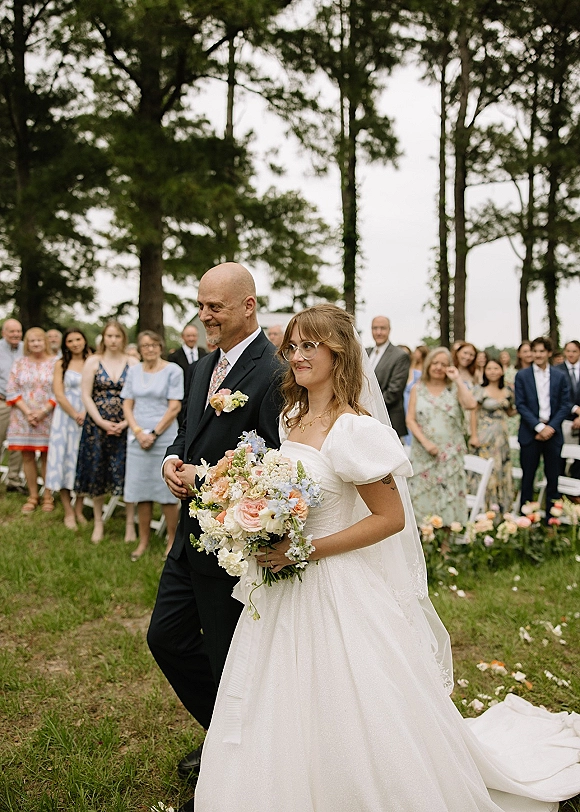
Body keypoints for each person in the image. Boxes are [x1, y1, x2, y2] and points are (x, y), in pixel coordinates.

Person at [194, 304, 580, 812]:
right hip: (282, 583)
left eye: (311, 345)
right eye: (293, 346)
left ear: (339, 353)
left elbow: (390, 518)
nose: (298, 355)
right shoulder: (292, 417)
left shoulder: (355, 430)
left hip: (333, 581)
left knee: (357, 701)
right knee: (279, 695)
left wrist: (304, 549)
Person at [146, 263, 282, 804]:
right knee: (166, 638)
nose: (204, 316)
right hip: (190, 538)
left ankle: (236, 762)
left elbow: (276, 458)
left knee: (231, 659)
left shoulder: (274, 372)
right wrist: (175, 462)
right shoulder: (202, 367)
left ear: (248, 306)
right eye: (200, 305)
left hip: (234, 544)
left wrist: (215, 483)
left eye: (215, 307)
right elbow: (188, 434)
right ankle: (227, 735)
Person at [121, 330, 184, 561]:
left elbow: (174, 407)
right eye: (145, 345)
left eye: (154, 345)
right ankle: (143, 540)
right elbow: (127, 405)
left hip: (164, 437)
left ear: (160, 346)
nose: (149, 349)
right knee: (141, 490)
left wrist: (155, 433)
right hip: (137, 438)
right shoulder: (133, 371)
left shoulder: (172, 371)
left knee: (166, 492)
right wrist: (138, 432)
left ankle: (171, 540)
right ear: (139, 349)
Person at [75, 320, 138, 543]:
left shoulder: (133, 362)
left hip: (126, 424)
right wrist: (101, 421)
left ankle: (130, 524)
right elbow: (85, 395)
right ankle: (99, 523)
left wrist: (127, 423)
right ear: (103, 338)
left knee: (127, 473)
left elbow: (139, 395)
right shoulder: (93, 361)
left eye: (117, 336)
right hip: (97, 426)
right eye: (109, 336)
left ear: (123, 338)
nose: (113, 340)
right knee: (97, 472)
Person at [406, 347, 476, 526]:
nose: (438, 367)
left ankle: (445, 547)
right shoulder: (417, 388)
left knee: (449, 497)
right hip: (424, 452)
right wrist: (426, 443)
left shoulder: (455, 388)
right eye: (435, 363)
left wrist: (458, 379)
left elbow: (470, 405)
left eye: (443, 364)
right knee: (422, 496)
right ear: (428, 364)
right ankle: (426, 542)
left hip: (450, 453)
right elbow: (411, 420)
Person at [515, 337, 571, 519]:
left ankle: (551, 520)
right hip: (530, 433)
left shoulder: (560, 376)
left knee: (553, 478)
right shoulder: (522, 376)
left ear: (548, 353)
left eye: (541, 351)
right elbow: (520, 404)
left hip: (553, 433)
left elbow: (565, 404)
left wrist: (550, 428)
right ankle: (526, 521)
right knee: (528, 478)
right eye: (535, 351)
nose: (538, 355)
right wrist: (539, 428)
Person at [6, 328, 58, 513]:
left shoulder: (55, 363)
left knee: (46, 457)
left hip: (47, 416)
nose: (36, 344)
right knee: (27, 456)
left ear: (45, 342)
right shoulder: (20, 363)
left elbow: (59, 389)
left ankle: (48, 496)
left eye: (39, 340)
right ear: (27, 344)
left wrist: (42, 411)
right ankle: (33, 495)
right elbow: (12, 389)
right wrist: (28, 412)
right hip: (23, 417)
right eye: (32, 341)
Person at [45, 329, 92, 529]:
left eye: (78, 339)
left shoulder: (92, 360)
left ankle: (79, 507)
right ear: (66, 344)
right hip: (66, 418)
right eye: (70, 341)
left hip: (89, 415)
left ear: (84, 340)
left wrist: (87, 414)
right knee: (64, 461)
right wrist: (75, 414)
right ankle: (68, 510)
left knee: (81, 461)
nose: (74, 343)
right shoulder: (60, 364)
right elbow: (59, 393)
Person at [469, 358, 517, 513]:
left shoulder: (508, 391)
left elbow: (510, 412)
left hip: (501, 437)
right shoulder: (479, 390)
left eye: (496, 368)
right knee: (488, 472)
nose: (492, 372)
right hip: (485, 436)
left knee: (501, 470)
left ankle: (501, 510)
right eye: (489, 369)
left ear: (502, 371)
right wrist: (474, 435)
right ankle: (485, 510)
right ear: (485, 371)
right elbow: (473, 413)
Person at [366, 315, 410, 438]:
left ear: (389, 330)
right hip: (366, 422)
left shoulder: (400, 356)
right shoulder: (366, 352)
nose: (378, 332)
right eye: (375, 328)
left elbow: (394, 391)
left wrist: (368, 408)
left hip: (389, 420)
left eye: (382, 328)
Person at [0, 318, 24, 492]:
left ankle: (14, 481)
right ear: (4, 333)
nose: (16, 334)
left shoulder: (26, 348)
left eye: (18, 331)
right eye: (12, 331)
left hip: (22, 405)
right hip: (2, 402)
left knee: (18, 444)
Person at [560, 340, 580, 479]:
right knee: (562, 455)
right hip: (565, 419)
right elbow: (558, 396)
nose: (571, 354)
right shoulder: (557, 370)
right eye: (568, 351)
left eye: (574, 351)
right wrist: (575, 409)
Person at [403, 344, 428, 446]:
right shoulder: (411, 364)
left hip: (417, 396)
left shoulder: (426, 367)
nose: (415, 354)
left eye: (417, 352)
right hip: (406, 396)